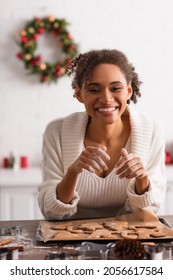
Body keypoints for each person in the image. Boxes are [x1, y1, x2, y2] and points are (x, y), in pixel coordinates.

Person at [38, 49, 166, 220]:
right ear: (79, 94)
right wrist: (73, 172)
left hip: (129, 240)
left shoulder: (151, 130)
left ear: (128, 91)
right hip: (69, 241)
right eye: (94, 90)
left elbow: (149, 211)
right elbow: (51, 212)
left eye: (115, 88)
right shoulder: (57, 132)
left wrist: (142, 179)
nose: (106, 98)